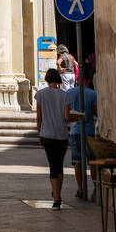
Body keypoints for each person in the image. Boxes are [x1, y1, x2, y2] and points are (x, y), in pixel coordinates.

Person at [35, 68, 73, 209]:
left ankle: (56, 198)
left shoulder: (40, 94)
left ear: (47, 79)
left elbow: (39, 118)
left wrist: (40, 133)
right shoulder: (65, 95)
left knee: (52, 165)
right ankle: (58, 195)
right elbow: (67, 117)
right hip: (61, 135)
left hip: (47, 135)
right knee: (59, 166)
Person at [69, 70, 98, 198]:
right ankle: (96, 188)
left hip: (75, 130)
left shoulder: (69, 92)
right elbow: (96, 112)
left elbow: (67, 111)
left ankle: (80, 188)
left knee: (77, 161)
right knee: (92, 161)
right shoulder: (93, 94)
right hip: (89, 131)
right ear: (88, 80)